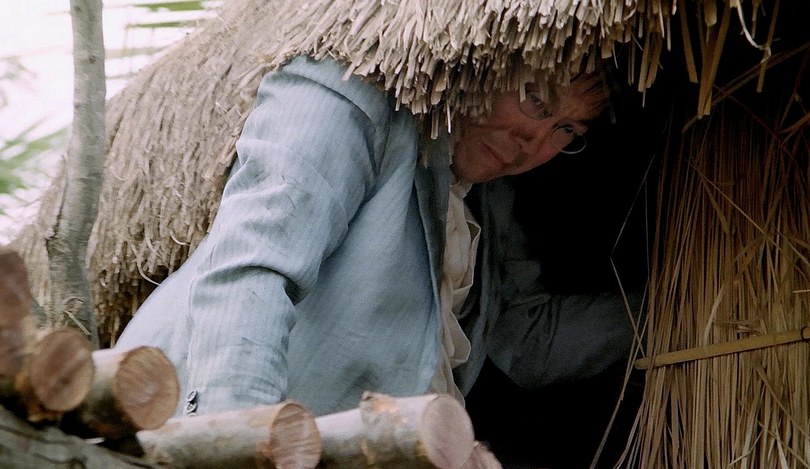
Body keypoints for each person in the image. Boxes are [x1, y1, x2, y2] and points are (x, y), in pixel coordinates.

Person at [114, 49, 628, 421]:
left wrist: (660, 314)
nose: (534, 142)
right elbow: (252, 271)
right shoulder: (348, 94)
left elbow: (524, 339)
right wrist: (240, 438)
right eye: (536, 98)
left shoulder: (484, 204)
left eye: (567, 131)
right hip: (189, 429)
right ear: (488, 59)